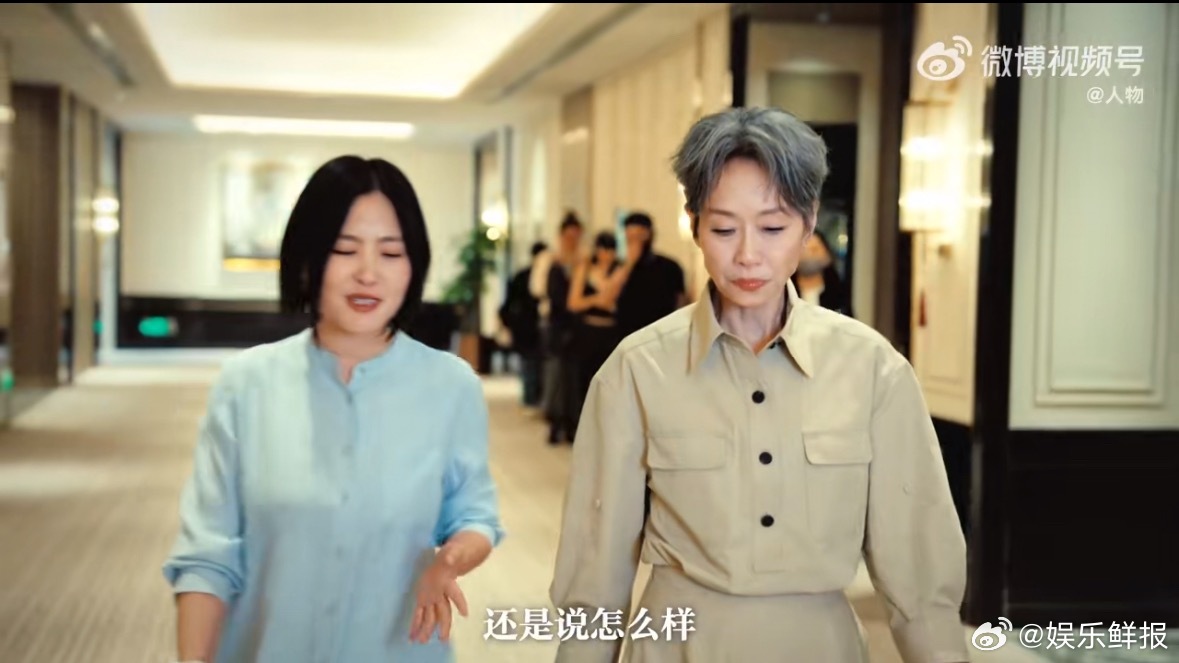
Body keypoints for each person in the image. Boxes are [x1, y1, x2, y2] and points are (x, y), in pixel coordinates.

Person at [549, 107, 968, 663]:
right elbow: (595, 577)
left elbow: (921, 581)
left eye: (773, 229)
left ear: (809, 224)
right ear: (694, 224)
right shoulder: (636, 370)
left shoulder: (873, 369)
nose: (748, 255)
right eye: (724, 229)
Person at [163, 155, 505, 663]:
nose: (368, 272)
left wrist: (450, 560)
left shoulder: (450, 385)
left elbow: (474, 514)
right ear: (306, 260)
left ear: (413, 266)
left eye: (391, 252)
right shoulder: (246, 384)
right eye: (344, 250)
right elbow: (207, 556)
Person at [613, 212, 688, 339]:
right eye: (630, 238)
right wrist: (629, 264)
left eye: (638, 237)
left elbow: (681, 302)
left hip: (662, 335)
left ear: (649, 235)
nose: (635, 243)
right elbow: (610, 298)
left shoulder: (670, 267)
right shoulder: (620, 268)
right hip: (627, 336)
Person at [499, 241, 548, 406]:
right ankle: (530, 398)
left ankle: (533, 398)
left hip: (531, 326)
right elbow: (509, 304)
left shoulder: (542, 275)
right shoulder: (523, 277)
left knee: (534, 364)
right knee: (529, 364)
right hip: (526, 327)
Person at [792, 229, 853, 316]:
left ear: (827, 255)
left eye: (814, 249)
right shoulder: (784, 294)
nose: (810, 255)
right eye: (805, 250)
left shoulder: (839, 295)